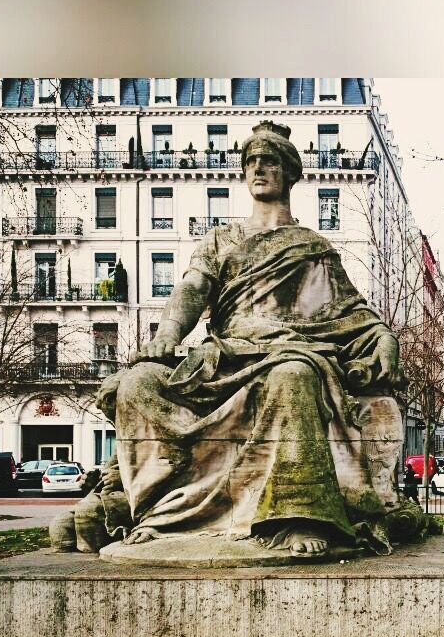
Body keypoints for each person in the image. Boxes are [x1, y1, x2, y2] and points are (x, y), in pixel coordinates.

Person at [101, 120, 424, 561]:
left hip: (290, 352)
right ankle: (162, 515)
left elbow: (352, 312)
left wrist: (385, 341)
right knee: (139, 383)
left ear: (290, 173)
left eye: (269, 161)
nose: (258, 168)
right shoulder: (222, 238)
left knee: (293, 375)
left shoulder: (312, 247)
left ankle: (298, 516)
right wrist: (167, 335)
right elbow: (193, 288)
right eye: (250, 161)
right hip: (226, 356)